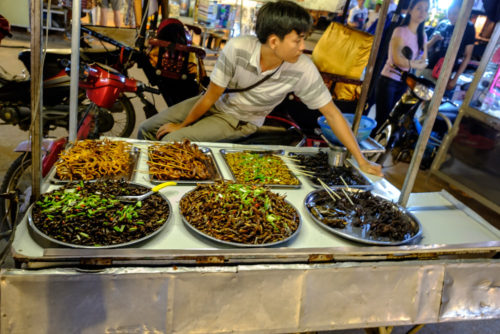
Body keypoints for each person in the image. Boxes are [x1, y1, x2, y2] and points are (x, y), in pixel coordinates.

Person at [138, 0, 382, 176]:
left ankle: (165, 186)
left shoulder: (303, 68)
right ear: (274, 41)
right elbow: (211, 95)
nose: (302, 46)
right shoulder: (238, 48)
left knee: (170, 140)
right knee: (147, 130)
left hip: (238, 120)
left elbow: (331, 113)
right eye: (297, 40)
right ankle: (149, 178)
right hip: (212, 102)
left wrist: (360, 159)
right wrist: (183, 124)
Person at [373, 0, 430, 133]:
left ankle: (380, 150)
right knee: (382, 120)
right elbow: (398, 60)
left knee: (393, 121)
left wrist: (411, 63)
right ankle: (368, 150)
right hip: (388, 80)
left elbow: (425, 60)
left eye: (426, 10)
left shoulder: (423, 35)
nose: (423, 12)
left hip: (404, 82)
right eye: (419, 8)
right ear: (410, 10)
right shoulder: (400, 31)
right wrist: (414, 64)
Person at [421, 0, 476, 94]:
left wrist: (455, 79)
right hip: (428, 68)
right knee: (415, 99)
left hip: (445, 74)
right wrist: (434, 40)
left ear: (462, 12)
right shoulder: (443, 24)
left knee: (433, 104)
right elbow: (425, 48)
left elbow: (467, 56)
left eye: (455, 13)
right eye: (449, 12)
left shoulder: (468, 27)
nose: (451, 16)